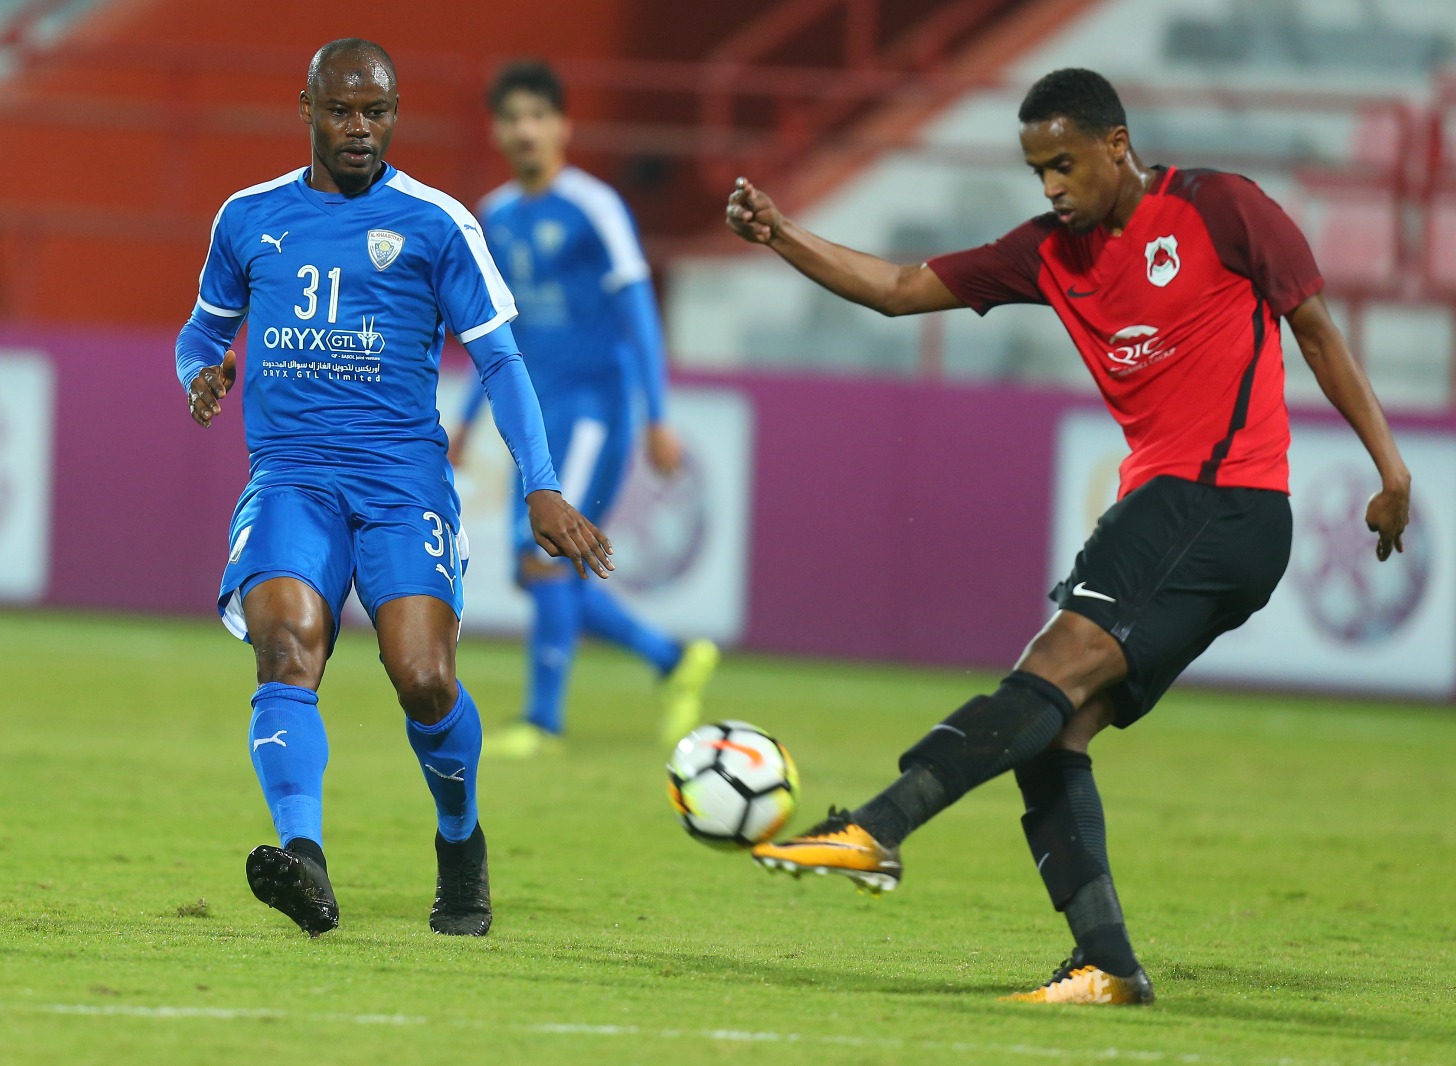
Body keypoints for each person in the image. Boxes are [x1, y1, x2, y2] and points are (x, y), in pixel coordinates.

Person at [725, 68, 1412, 1004]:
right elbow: (896, 288)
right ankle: (1107, 963)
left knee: (1048, 671)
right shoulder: (1047, 254)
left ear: (1116, 146)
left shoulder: (1222, 208)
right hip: (1182, 513)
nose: (1051, 186)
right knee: (1053, 728)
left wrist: (1391, 470)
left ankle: (877, 826)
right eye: (1037, 171)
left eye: (1064, 164)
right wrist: (781, 235)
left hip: (1219, 499)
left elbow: (1319, 334)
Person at [174, 38, 612, 939]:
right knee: (286, 646)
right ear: (307, 109)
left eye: (375, 112)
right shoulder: (248, 218)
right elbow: (200, 333)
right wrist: (200, 374)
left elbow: (501, 360)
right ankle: (304, 856)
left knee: (423, 677)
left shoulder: (437, 223)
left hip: (400, 483)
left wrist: (541, 487)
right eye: (341, 110)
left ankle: (460, 841)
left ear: (394, 115)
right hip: (291, 477)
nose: (359, 129)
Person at [446, 60, 718, 759]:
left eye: (538, 116)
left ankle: (543, 723)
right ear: (497, 130)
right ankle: (670, 658)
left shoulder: (595, 207)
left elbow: (639, 311)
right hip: (538, 416)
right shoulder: (495, 216)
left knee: (544, 555)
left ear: (563, 127)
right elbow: (493, 333)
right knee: (537, 565)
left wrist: (657, 414)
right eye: (512, 118)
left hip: (594, 409)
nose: (525, 130)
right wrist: (467, 418)